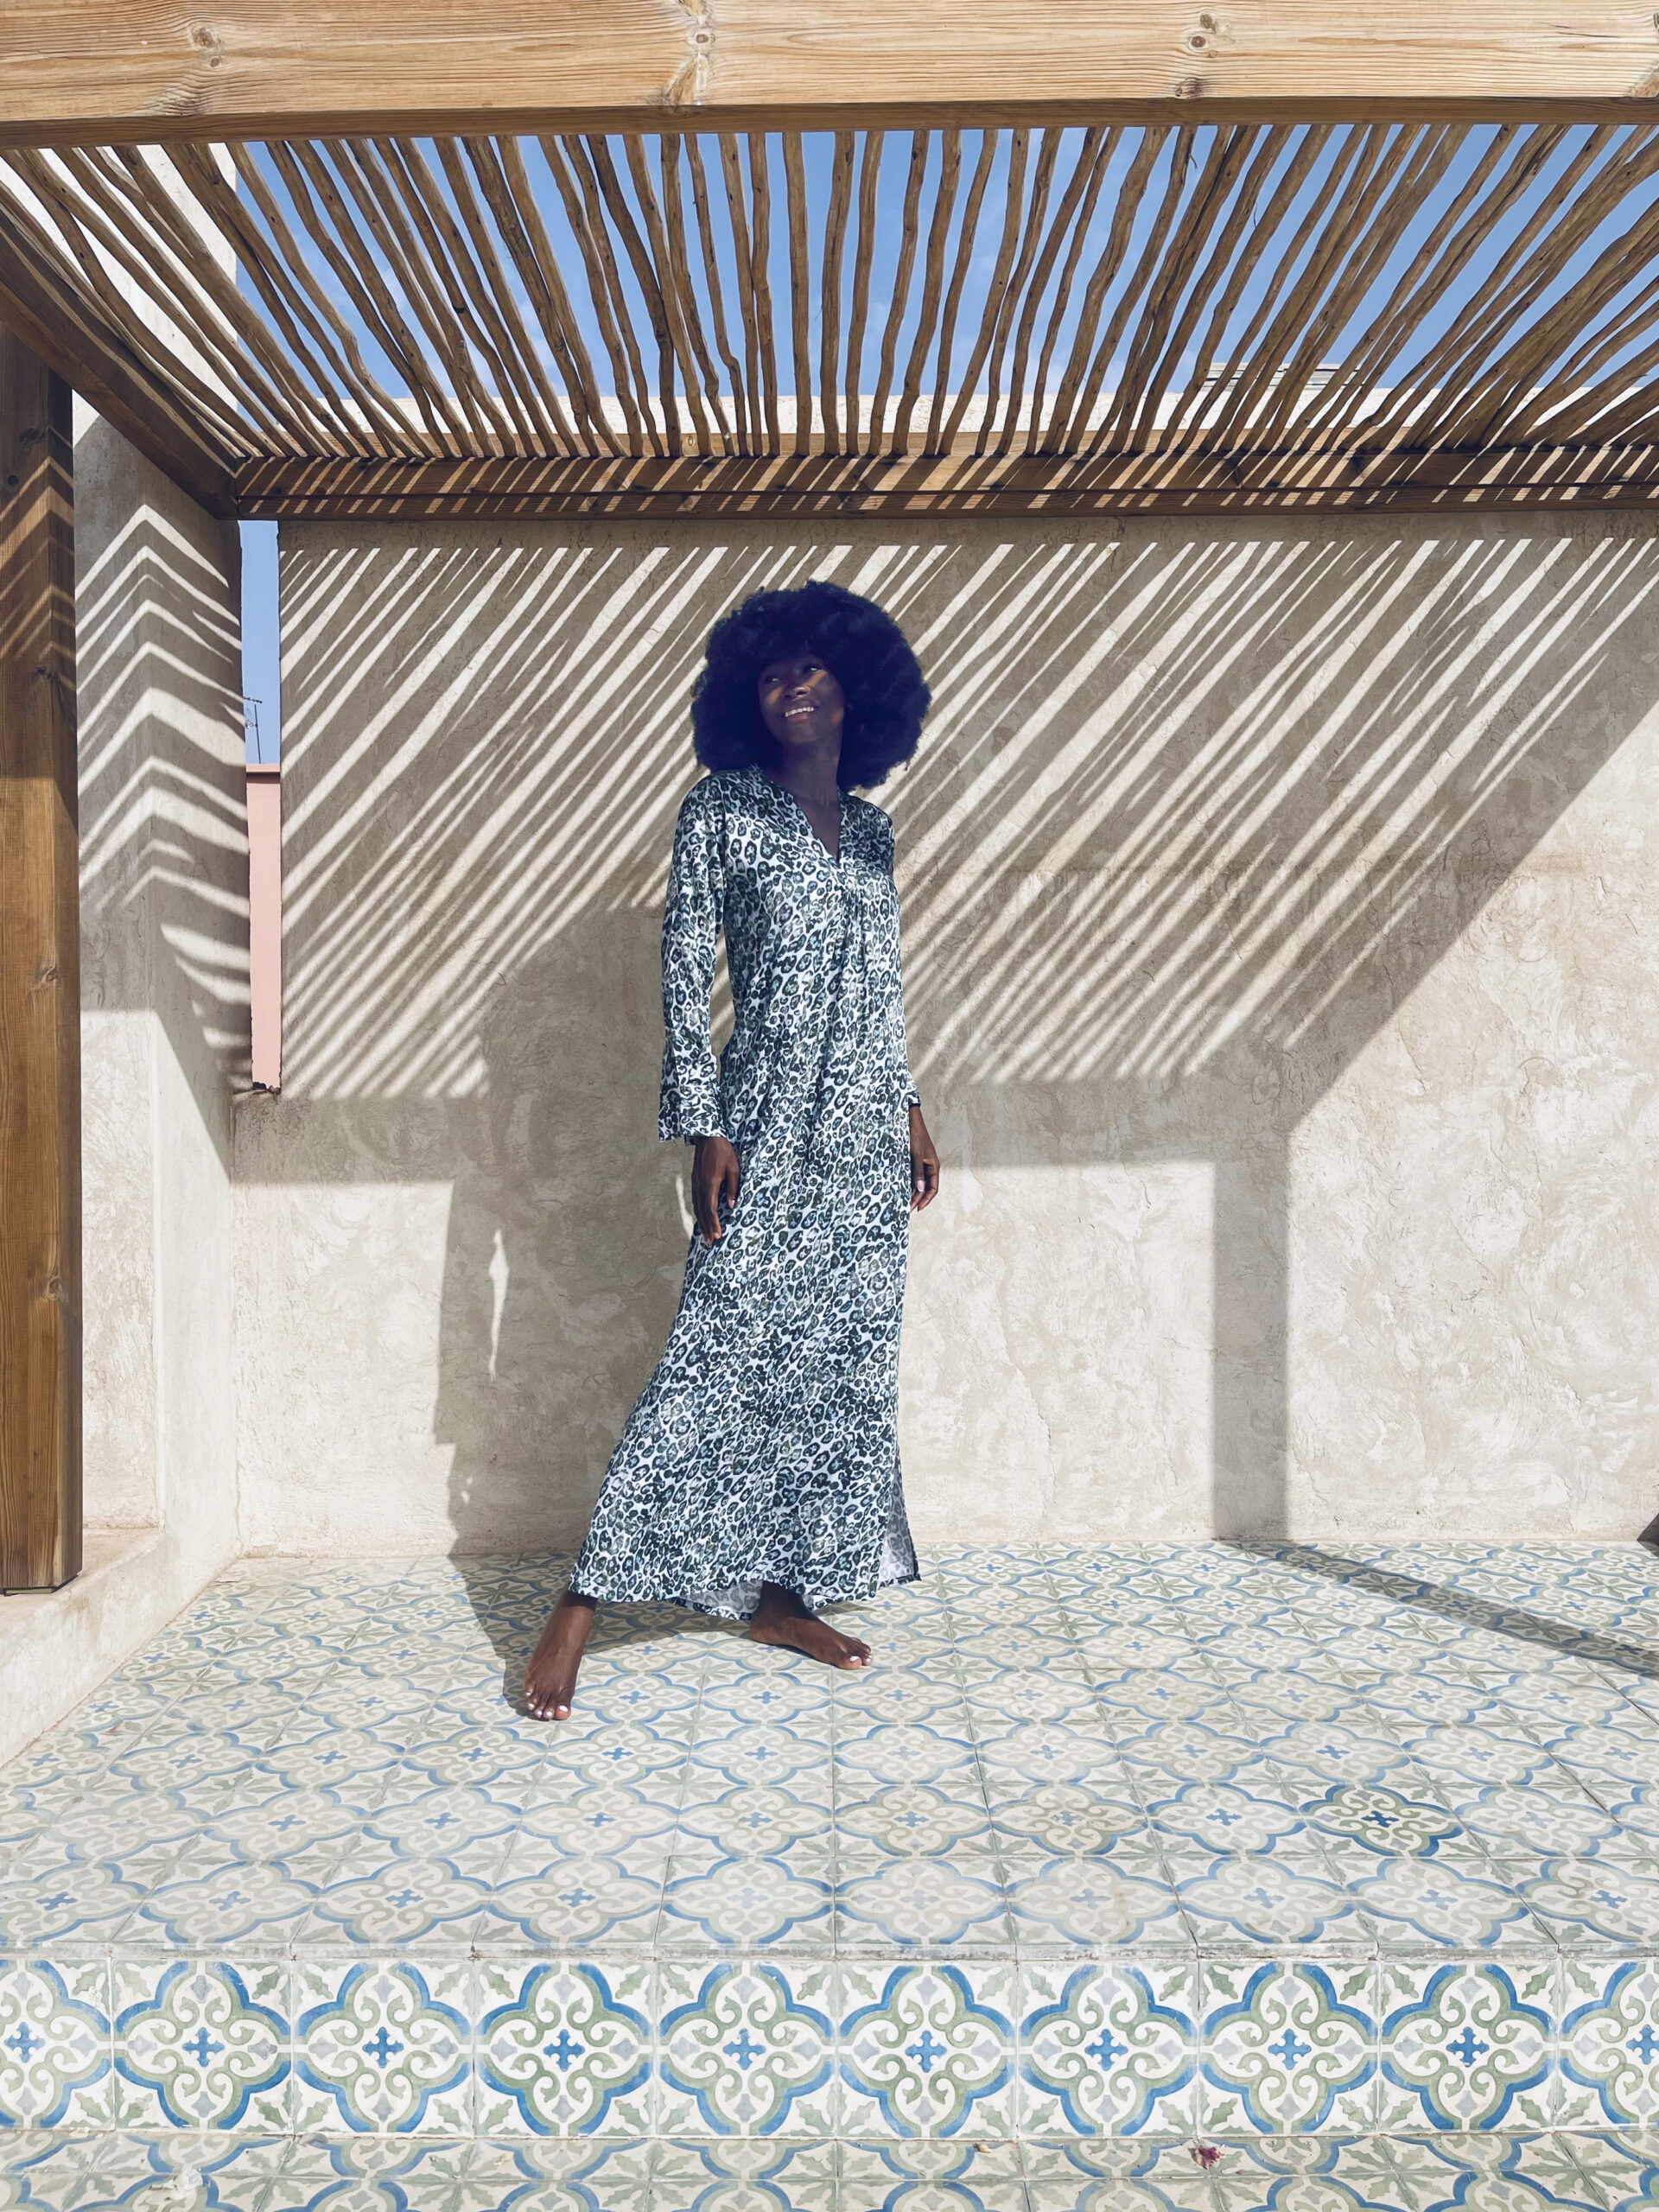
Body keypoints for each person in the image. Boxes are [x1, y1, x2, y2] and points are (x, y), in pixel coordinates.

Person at [523, 580, 941, 1721]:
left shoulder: (872, 833)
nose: (789, 685)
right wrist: (706, 1122)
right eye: (769, 673)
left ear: (856, 690)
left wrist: (909, 1105)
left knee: (839, 1361)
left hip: (862, 1132)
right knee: (713, 1356)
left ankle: (782, 1596)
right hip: (761, 1116)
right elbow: (682, 970)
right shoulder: (720, 810)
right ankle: (580, 1603)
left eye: (810, 666)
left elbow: (881, 986)